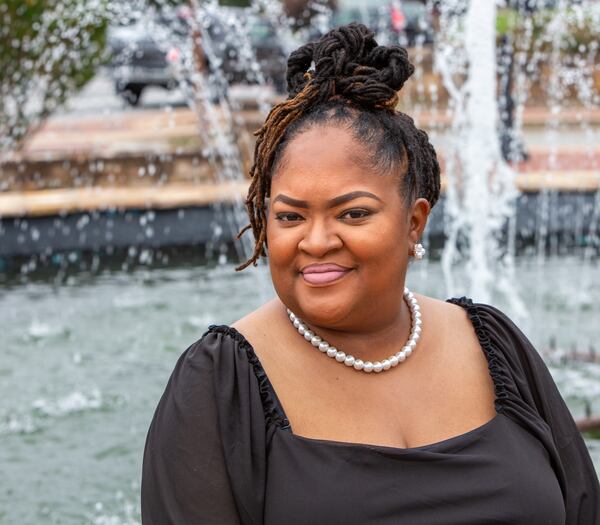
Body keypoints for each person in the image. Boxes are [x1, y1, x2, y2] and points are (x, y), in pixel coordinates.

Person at [141, 23, 600, 524]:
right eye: (290, 216)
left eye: (352, 213)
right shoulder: (222, 381)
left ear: (414, 222)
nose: (316, 241)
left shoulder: (493, 344)